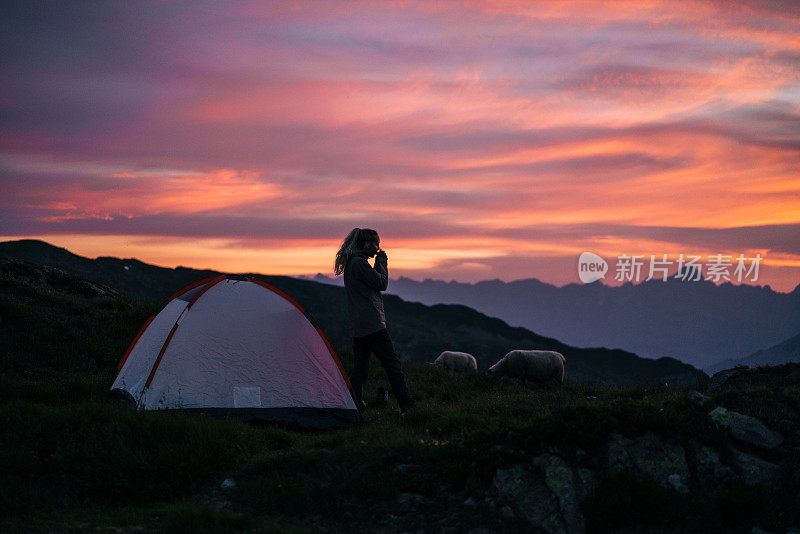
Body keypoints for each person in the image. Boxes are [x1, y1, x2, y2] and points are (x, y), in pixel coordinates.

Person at [334, 228, 415, 414]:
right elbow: (382, 284)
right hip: (372, 324)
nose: (378, 247)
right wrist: (382, 263)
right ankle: (408, 406)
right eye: (376, 244)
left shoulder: (351, 264)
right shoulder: (360, 264)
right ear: (367, 244)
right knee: (392, 365)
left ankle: (353, 406)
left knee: (360, 368)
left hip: (359, 325)